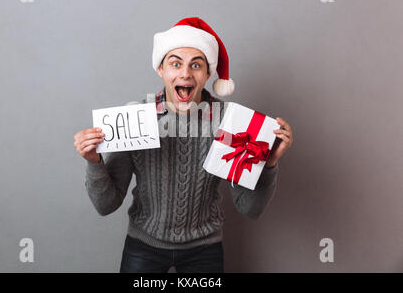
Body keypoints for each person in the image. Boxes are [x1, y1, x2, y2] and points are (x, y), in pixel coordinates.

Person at [73, 17, 293, 273]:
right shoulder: (135, 119)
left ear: (208, 73)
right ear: (161, 70)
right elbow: (106, 205)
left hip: (204, 249)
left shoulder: (230, 122)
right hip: (144, 245)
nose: (185, 73)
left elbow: (249, 208)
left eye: (196, 65)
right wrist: (94, 162)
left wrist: (269, 163)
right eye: (175, 63)